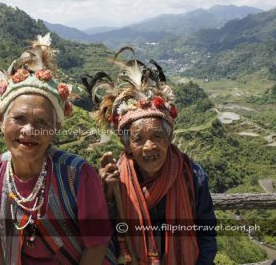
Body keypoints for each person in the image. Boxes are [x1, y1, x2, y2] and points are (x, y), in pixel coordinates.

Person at [0, 33, 116, 265]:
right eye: (19, 118)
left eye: (42, 122)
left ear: (55, 128)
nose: (29, 131)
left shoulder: (79, 176)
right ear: (1, 121)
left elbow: (96, 245)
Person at [83, 48, 217, 264]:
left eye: (157, 135)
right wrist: (105, 196)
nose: (149, 146)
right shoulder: (117, 181)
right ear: (127, 146)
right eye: (138, 139)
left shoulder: (192, 175)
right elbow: (105, 239)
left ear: (169, 137)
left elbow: (206, 234)